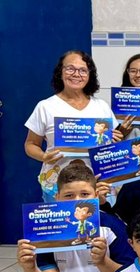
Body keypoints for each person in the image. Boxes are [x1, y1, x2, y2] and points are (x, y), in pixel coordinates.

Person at [25, 50, 119, 201]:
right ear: (60, 72)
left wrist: (115, 139)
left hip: (95, 186)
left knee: (94, 223)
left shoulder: (101, 106)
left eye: (83, 70)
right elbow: (30, 144)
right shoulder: (45, 106)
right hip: (57, 186)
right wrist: (43, 156)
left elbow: (112, 146)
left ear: (90, 75)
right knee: (61, 225)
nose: (76, 74)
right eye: (70, 68)